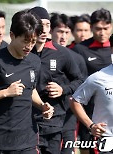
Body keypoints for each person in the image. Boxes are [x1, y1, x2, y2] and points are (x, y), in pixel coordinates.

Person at [0, 9, 54, 154]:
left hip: (28, 139)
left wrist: (42, 106)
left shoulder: (34, 61)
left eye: (33, 41)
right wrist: (5, 93)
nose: (29, 46)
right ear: (12, 35)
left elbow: (30, 89)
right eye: (25, 41)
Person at [30, 7, 84, 154]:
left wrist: (63, 89)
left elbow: (80, 80)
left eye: (47, 25)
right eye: (40, 24)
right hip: (26, 124)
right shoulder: (22, 52)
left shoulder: (62, 53)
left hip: (54, 124)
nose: (44, 29)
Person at [72, 8, 112, 154]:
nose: (102, 33)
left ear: (111, 27)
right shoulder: (79, 50)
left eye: (106, 28)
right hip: (88, 114)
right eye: (98, 29)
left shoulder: (112, 48)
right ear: (92, 27)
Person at [49, 12, 87, 154]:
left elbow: (83, 84)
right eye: (59, 31)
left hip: (68, 118)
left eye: (66, 31)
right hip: (44, 117)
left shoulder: (77, 58)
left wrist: (65, 90)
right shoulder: (39, 55)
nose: (63, 36)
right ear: (51, 31)